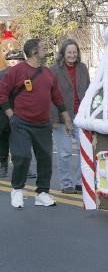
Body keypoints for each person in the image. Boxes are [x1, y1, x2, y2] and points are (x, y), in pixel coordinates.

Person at [0, 38, 73, 208]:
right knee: (22, 156)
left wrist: (67, 119)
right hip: (21, 123)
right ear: (34, 52)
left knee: (45, 159)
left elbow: (57, 97)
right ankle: (17, 190)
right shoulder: (16, 71)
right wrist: (11, 115)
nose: (46, 50)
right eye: (43, 48)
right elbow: (2, 92)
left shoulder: (48, 73)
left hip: (43, 124)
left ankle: (42, 193)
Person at [50, 39, 90, 194]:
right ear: (63, 53)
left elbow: (89, 89)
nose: (72, 55)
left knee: (83, 150)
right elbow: (50, 95)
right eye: (69, 53)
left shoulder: (82, 68)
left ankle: (81, 182)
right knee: (65, 152)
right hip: (62, 118)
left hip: (81, 116)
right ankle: (66, 183)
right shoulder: (54, 70)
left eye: (74, 52)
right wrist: (53, 118)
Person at [0, 49, 37, 179]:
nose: (14, 62)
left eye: (18, 59)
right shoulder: (2, 74)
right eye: (11, 60)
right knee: (3, 141)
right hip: (4, 113)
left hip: (23, 113)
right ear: (8, 61)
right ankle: (3, 165)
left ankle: (24, 168)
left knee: (23, 142)